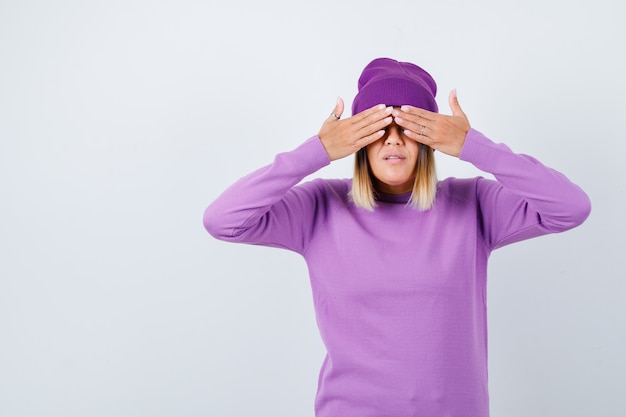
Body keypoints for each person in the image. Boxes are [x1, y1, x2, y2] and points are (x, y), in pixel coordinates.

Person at [203, 57, 591, 417]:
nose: (392, 140)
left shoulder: (472, 204)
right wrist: (317, 151)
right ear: (358, 142)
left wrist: (474, 147)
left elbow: (571, 207)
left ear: (428, 141)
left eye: (406, 128)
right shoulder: (320, 207)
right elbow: (222, 219)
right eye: (377, 129)